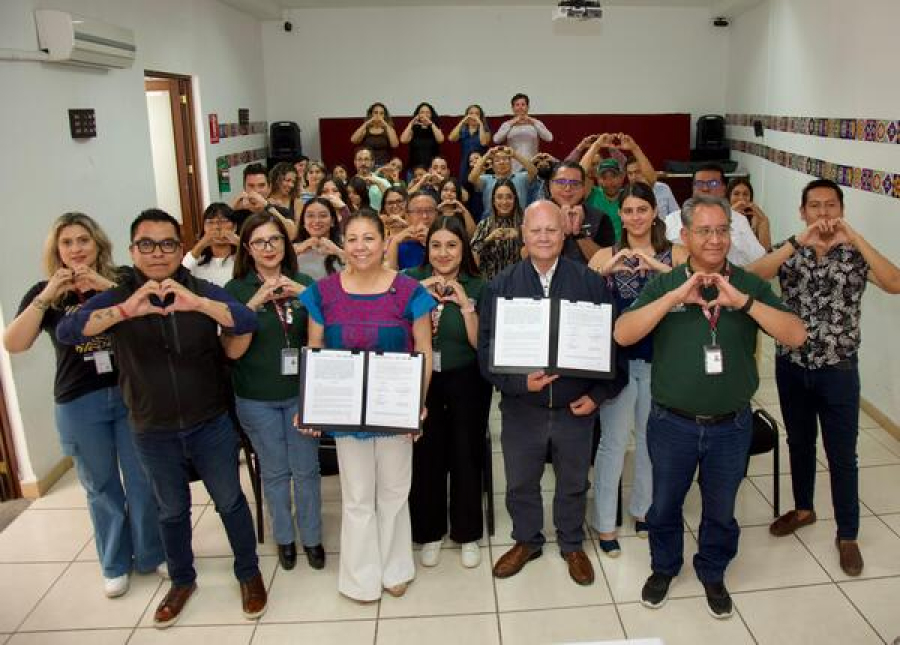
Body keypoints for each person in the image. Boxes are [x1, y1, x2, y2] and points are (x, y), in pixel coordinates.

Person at [56, 209, 266, 628]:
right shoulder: (119, 296)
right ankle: (182, 581)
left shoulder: (200, 289)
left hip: (210, 422)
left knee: (230, 501)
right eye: (147, 244)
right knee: (171, 510)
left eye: (168, 244)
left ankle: (249, 573)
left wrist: (198, 304)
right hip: (152, 429)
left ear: (180, 248)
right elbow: (69, 331)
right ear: (133, 250)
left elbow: (246, 319)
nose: (157, 253)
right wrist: (126, 311)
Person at [614, 195, 806, 619]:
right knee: (664, 504)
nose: (715, 240)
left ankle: (713, 570)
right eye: (704, 231)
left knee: (721, 509)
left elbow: (796, 335)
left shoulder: (747, 284)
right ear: (685, 236)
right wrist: (674, 297)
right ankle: (664, 568)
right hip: (672, 424)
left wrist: (744, 304)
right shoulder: (665, 284)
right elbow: (623, 333)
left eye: (722, 230)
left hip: (731, 426)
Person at [4, 213, 165, 599]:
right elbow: (14, 343)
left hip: (130, 393)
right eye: (67, 243)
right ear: (56, 251)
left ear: (98, 244)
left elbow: (155, 310)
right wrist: (46, 297)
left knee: (142, 479)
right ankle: (115, 563)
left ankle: (152, 553)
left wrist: (103, 286)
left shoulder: (122, 279)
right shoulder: (44, 292)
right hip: (79, 401)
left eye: (83, 240)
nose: (76, 249)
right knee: (100, 485)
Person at [745, 178, 900, 577]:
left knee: (842, 454)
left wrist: (855, 237)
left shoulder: (855, 253)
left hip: (839, 369)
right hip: (792, 365)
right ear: (803, 212)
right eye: (815, 206)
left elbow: (894, 282)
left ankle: (848, 534)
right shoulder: (790, 249)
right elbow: (752, 277)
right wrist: (797, 242)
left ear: (841, 210)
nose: (823, 213)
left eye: (831, 205)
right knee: (799, 442)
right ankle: (803, 509)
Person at [478, 200, 626, 587]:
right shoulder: (501, 285)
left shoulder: (591, 283)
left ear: (564, 234)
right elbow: (486, 351)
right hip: (521, 407)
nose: (544, 237)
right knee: (520, 481)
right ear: (523, 234)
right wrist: (518, 385)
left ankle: (572, 543)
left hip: (575, 408)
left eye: (551, 229)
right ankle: (526, 540)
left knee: (574, 482)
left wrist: (598, 395)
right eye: (536, 230)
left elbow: (612, 347)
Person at [296, 210, 435, 602]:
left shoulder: (409, 291)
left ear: (384, 240)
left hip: (394, 410)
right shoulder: (323, 292)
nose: (360, 247)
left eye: (369, 238)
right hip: (346, 412)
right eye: (352, 239)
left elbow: (424, 351)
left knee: (394, 491)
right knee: (357, 496)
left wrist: (417, 404)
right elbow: (315, 349)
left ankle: (395, 569)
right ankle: (360, 577)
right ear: (343, 243)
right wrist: (311, 403)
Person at [587, 184, 688, 557]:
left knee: (650, 440)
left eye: (642, 209)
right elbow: (584, 303)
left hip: (661, 361)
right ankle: (604, 523)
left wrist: (659, 268)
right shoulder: (604, 255)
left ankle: (643, 509)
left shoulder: (677, 253)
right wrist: (604, 272)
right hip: (618, 364)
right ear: (621, 215)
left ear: (654, 212)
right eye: (628, 210)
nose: (635, 217)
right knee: (613, 442)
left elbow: (692, 297)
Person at [222, 213, 324, 573]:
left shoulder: (304, 282)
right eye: (259, 242)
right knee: (275, 471)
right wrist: (252, 306)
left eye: (275, 240)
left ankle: (312, 537)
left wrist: (306, 297)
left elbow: (325, 334)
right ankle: (284, 537)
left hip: (300, 394)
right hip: (256, 397)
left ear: (286, 243)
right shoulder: (235, 290)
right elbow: (232, 351)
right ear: (247, 249)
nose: (268, 248)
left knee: (306, 469)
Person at [406, 216, 491, 569]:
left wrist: (465, 304)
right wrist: (418, 297)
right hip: (422, 378)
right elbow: (402, 334)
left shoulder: (479, 285)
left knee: (466, 453)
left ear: (464, 249)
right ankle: (429, 532)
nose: (443, 253)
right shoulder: (410, 281)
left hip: (467, 378)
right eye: (436, 245)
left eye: (452, 245)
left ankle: (467, 532)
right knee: (426, 454)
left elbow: (480, 345)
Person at [664, 164, 765, 266]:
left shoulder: (738, 220)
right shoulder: (673, 219)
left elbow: (758, 257)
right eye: (699, 183)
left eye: (713, 183)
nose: (705, 188)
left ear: (724, 188)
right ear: (693, 188)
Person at [545, 161, 615, 264]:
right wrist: (559, 230)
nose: (568, 188)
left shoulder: (600, 218)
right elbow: (525, 256)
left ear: (583, 188)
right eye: (561, 182)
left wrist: (579, 233)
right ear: (550, 186)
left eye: (575, 183)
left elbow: (606, 263)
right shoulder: (535, 214)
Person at [470, 179, 525, 280]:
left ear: (515, 199)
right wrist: (489, 239)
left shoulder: (524, 224)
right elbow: (472, 254)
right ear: (493, 200)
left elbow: (535, 253)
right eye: (499, 197)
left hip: (518, 282)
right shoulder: (484, 224)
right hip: (490, 282)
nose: (504, 202)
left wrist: (520, 236)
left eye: (509, 197)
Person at [229, 163, 298, 240]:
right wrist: (232, 208)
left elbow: (292, 235)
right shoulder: (238, 212)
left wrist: (267, 206)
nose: (256, 190)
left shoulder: (281, 211)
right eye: (251, 186)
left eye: (261, 185)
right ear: (244, 188)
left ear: (269, 187)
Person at [468, 145, 537, 219]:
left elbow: (534, 171)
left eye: (505, 159)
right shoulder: (486, 179)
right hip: (491, 221)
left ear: (511, 162)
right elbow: (471, 178)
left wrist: (515, 155)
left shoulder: (521, 177)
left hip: (518, 221)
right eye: (497, 160)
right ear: (492, 165)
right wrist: (487, 156)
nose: (502, 162)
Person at [182, 203, 240, 287]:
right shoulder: (196, 260)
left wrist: (240, 243)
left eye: (223, 221)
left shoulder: (242, 259)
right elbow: (180, 275)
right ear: (204, 228)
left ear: (234, 227)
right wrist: (201, 245)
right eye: (210, 222)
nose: (216, 227)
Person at [493, 93, 553, 172]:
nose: (520, 107)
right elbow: (496, 140)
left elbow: (549, 138)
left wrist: (533, 122)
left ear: (527, 107)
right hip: (513, 165)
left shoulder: (536, 122)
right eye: (517, 105)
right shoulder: (507, 124)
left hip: (532, 163)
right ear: (513, 108)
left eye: (523, 104)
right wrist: (512, 123)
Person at [293, 197, 346, 280]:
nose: (317, 221)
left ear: (332, 221)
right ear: (303, 222)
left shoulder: (346, 247)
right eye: (310, 216)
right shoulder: (293, 249)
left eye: (323, 216)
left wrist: (338, 252)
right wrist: (296, 252)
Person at [386, 191, 439, 270]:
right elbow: (389, 275)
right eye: (418, 211)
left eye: (429, 210)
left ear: (437, 215)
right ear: (407, 216)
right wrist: (394, 242)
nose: (425, 216)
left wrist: (431, 242)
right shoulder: (398, 242)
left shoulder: (449, 240)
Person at [448, 104, 491, 185]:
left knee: (478, 185)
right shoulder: (463, 130)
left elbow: (483, 142)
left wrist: (480, 123)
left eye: (477, 114)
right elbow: (451, 138)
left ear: (480, 116)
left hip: (480, 164)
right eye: (471, 113)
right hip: (465, 163)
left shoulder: (485, 130)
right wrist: (463, 121)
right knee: (464, 184)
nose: (474, 116)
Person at [726, 177, 771, 250]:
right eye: (736, 194)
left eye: (745, 194)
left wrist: (764, 221)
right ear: (729, 197)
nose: (741, 198)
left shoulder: (756, 218)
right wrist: (732, 214)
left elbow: (766, 250)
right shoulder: (722, 216)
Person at [350, 102, 399, 166]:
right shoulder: (365, 129)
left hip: (383, 164)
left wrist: (385, 124)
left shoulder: (388, 129)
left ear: (384, 115)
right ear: (371, 114)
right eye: (375, 113)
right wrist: (367, 123)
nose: (378, 115)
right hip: (367, 164)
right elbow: (353, 140)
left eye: (381, 113)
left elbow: (395, 145)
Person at [400, 102, 445, 172]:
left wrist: (431, 124)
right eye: (422, 112)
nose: (425, 115)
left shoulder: (435, 127)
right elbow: (403, 140)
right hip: (414, 168)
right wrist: (411, 123)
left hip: (432, 169)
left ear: (431, 115)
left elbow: (440, 140)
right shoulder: (413, 128)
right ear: (417, 115)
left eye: (428, 112)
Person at [352, 147, 390, 211]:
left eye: (366, 159)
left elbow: (391, 200)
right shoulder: (349, 184)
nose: (363, 163)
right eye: (359, 159)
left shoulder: (383, 182)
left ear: (372, 162)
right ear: (355, 162)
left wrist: (378, 183)